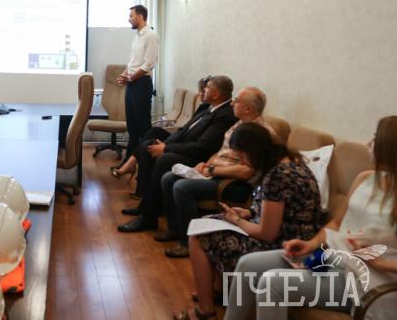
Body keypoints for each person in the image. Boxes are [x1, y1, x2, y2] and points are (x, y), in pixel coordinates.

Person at [223, 116, 397, 320]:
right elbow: (336, 223)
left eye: (375, 139)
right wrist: (311, 244)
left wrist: (381, 264)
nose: (369, 143)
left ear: (388, 148)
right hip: (335, 258)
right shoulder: (365, 178)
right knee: (247, 265)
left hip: (366, 279)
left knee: (272, 283)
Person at [173, 122, 322, 320]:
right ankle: (218, 290)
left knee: (199, 238)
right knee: (209, 221)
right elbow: (280, 210)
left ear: (254, 151)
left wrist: (237, 220)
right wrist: (248, 213)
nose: (244, 163)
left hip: (286, 245)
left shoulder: (278, 176)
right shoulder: (292, 163)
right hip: (293, 234)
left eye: (242, 157)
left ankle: (205, 311)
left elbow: (267, 233)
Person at [158, 87, 276, 258]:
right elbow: (221, 152)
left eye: (236, 101)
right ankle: (174, 229)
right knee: (168, 178)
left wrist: (212, 170)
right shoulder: (239, 124)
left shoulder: (259, 133)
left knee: (181, 187)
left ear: (248, 108)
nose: (232, 103)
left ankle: (188, 242)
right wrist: (205, 164)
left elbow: (247, 171)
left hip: (234, 183)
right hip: (216, 174)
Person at [118, 75, 238, 232]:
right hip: (185, 145)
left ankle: (147, 216)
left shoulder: (225, 115)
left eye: (207, 88)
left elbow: (202, 147)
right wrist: (165, 145)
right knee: (152, 137)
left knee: (164, 159)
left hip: (197, 157)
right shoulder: (206, 107)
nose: (203, 90)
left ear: (215, 94)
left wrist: (166, 149)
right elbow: (183, 131)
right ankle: (146, 205)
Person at [111, 76, 210, 177]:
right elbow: (185, 128)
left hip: (186, 145)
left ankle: (129, 166)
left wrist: (166, 146)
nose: (198, 94)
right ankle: (130, 164)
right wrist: (169, 141)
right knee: (154, 132)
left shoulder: (216, 115)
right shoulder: (203, 108)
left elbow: (199, 145)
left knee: (149, 145)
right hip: (180, 137)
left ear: (215, 94)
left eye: (202, 91)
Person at [115, 4, 159, 167]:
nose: (129, 19)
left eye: (131, 16)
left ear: (140, 17)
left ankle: (148, 165)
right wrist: (125, 75)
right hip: (132, 83)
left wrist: (131, 78)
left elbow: (148, 64)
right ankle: (128, 163)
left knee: (143, 128)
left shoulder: (151, 35)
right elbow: (132, 62)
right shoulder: (137, 36)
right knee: (132, 127)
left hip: (142, 83)